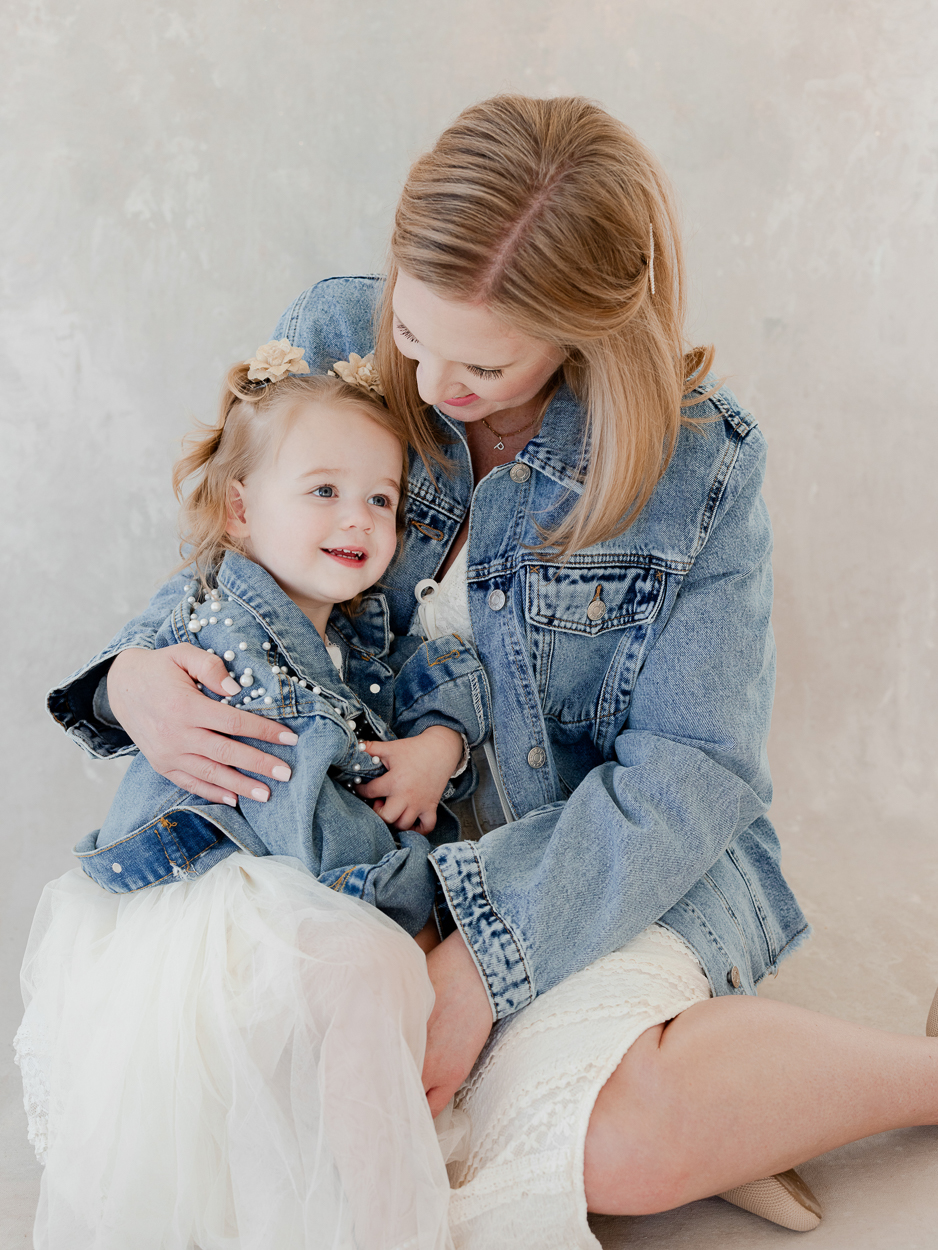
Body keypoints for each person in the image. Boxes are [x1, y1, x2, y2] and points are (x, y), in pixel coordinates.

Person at [35, 95, 938, 1249]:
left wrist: (481, 959)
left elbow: (691, 773)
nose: (430, 376)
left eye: (483, 360)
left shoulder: (695, 462)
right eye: (415, 333)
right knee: (288, 1101)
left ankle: (902, 1077)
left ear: (585, 331)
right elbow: (240, 544)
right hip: (371, 865)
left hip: (590, 854)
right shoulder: (338, 335)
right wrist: (128, 681)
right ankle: (715, 1108)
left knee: (608, 1137)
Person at [15, 354, 491, 1250]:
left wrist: (438, 747)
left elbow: (443, 685)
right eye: (322, 490)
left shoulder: (361, 644)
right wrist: (126, 681)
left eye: (381, 500)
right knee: (368, 968)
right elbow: (293, 806)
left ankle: (358, 1210)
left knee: (363, 999)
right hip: (215, 899)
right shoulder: (211, 615)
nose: (357, 516)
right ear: (240, 510)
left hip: (299, 892)